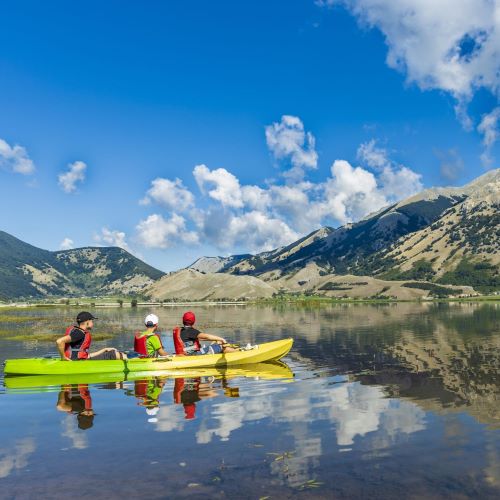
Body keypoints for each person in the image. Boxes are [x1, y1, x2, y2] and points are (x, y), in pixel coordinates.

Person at [56, 311, 127, 361]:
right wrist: (63, 357)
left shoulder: (76, 331)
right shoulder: (79, 333)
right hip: (77, 362)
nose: (92, 323)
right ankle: (130, 362)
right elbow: (59, 341)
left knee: (108, 352)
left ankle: (126, 357)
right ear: (87, 322)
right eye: (92, 321)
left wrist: (104, 349)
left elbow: (86, 356)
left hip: (80, 359)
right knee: (113, 354)